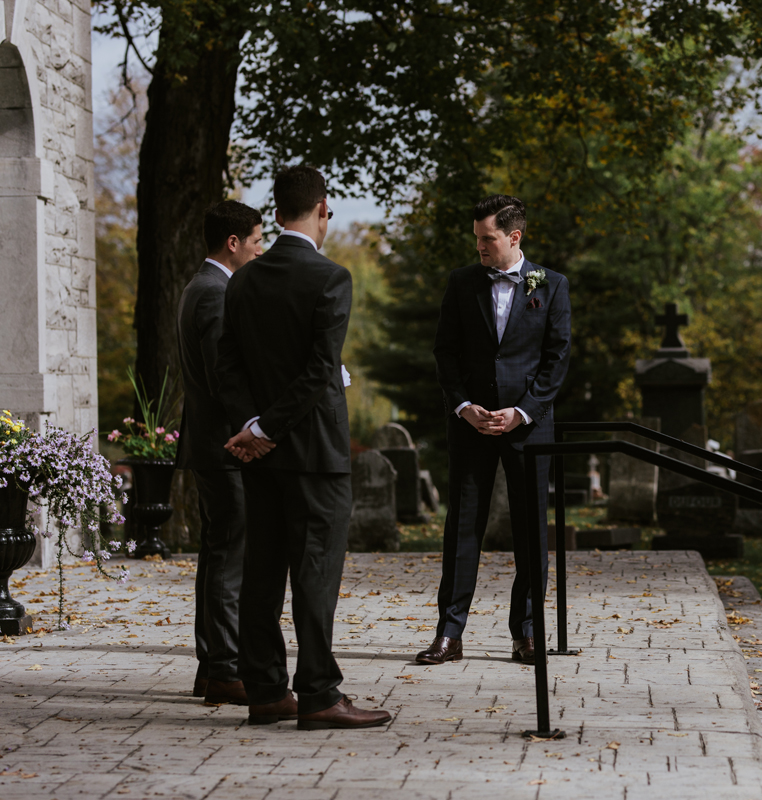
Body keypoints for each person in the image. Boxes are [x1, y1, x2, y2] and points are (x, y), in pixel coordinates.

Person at [217, 166, 390, 730]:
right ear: (323, 208)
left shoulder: (241, 279)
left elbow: (230, 367)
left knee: (262, 572)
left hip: (258, 456)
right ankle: (318, 694)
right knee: (316, 574)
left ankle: (266, 691)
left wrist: (251, 429)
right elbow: (319, 370)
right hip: (313, 455)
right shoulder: (330, 277)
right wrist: (268, 428)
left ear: (278, 209)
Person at [417, 195, 571, 666]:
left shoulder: (552, 285)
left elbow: (556, 357)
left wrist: (522, 411)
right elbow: (445, 352)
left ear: (514, 237)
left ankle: (526, 633)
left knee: (530, 532)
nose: (480, 246)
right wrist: (464, 406)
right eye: (477, 239)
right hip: (471, 426)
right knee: (463, 527)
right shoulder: (461, 283)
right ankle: (449, 633)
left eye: (488, 239)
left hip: (528, 428)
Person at [176, 200, 263, 706]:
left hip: (210, 443)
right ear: (232, 243)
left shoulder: (200, 287)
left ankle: (211, 668)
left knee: (217, 554)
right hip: (225, 445)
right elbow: (222, 376)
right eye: (255, 240)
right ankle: (226, 669)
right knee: (230, 557)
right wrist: (249, 432)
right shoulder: (215, 294)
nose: (259, 249)